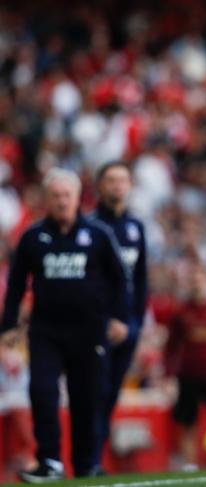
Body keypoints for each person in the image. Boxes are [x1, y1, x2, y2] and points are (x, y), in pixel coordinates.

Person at [0, 168, 129, 481]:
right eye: (55, 196)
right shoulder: (32, 238)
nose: (61, 201)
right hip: (46, 331)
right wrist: (7, 328)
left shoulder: (98, 235)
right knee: (42, 392)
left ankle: (86, 464)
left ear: (77, 198)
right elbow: (16, 284)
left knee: (86, 397)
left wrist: (120, 318)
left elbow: (120, 280)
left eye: (66, 196)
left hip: (89, 330)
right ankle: (49, 462)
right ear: (46, 199)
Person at [90, 161, 148, 470]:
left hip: (127, 328)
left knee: (110, 394)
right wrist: (103, 322)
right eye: (110, 180)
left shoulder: (135, 228)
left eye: (122, 180)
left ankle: (94, 460)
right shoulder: (88, 227)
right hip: (95, 328)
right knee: (93, 393)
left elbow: (140, 281)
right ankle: (89, 460)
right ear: (99, 185)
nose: (117, 185)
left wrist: (135, 324)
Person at [164, 264, 206, 470]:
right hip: (189, 373)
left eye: (200, 281)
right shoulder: (180, 312)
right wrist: (168, 374)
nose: (197, 286)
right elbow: (171, 345)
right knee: (188, 421)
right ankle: (189, 463)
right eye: (193, 281)